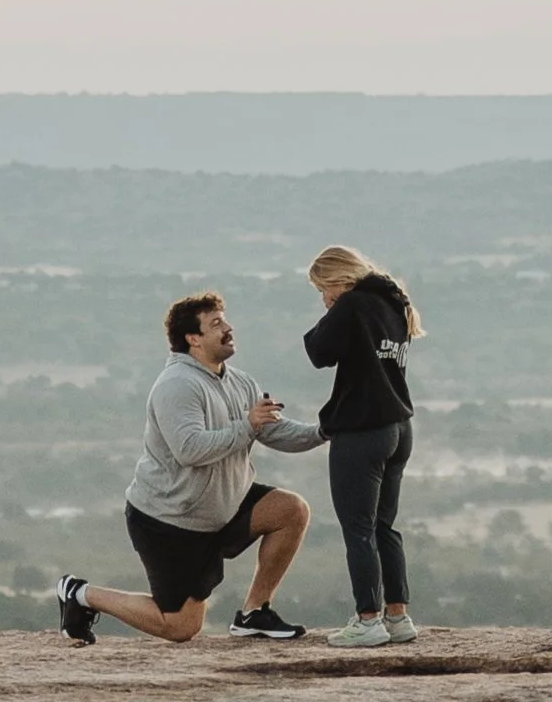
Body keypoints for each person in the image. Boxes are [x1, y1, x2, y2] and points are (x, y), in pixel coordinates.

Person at [57, 291, 323, 646]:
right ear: (192, 339)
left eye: (225, 320)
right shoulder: (176, 385)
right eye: (216, 324)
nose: (228, 329)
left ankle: (254, 613)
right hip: (172, 521)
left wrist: (326, 430)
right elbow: (190, 450)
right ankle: (79, 593)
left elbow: (273, 430)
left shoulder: (240, 382)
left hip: (224, 507)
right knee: (180, 627)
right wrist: (246, 426)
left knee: (291, 510)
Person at [302, 243, 421, 650]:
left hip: (363, 432)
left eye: (323, 289)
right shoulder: (394, 304)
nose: (324, 298)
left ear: (339, 279)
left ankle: (368, 620)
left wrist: (334, 309)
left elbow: (319, 352)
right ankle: (398, 616)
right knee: (385, 525)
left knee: (358, 529)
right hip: (399, 427)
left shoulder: (353, 306)